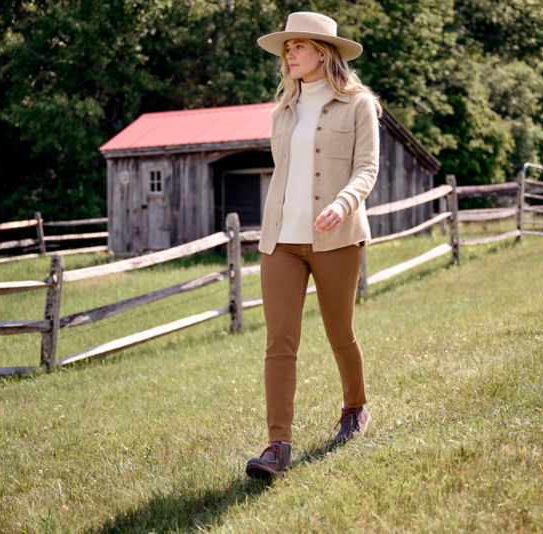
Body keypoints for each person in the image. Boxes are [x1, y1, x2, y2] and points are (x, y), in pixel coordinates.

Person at [246, 11, 382, 479]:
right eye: (287, 48)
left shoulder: (359, 105)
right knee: (279, 342)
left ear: (323, 53)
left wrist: (342, 205)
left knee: (339, 332)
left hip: (337, 238)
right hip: (280, 241)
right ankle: (278, 446)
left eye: (297, 46)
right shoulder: (282, 111)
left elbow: (367, 168)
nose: (290, 54)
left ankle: (355, 409)